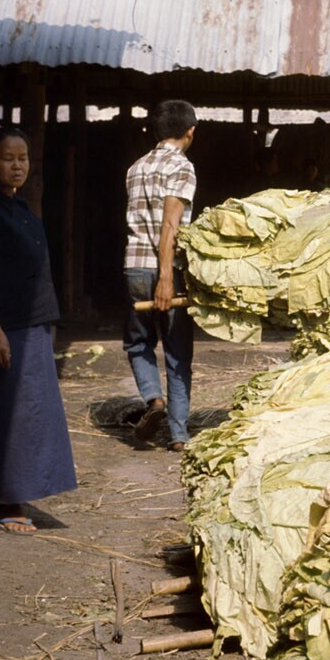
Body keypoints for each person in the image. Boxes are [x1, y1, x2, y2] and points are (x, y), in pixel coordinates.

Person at [0, 129, 76, 533]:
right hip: (8, 326)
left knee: (6, 410)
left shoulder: (18, 206)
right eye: (8, 158)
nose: (17, 166)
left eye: (23, 158)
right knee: (16, 416)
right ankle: (11, 503)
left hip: (29, 324)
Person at [124, 99, 198, 452]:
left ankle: (153, 398)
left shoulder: (136, 167)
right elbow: (170, 226)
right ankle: (178, 433)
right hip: (168, 269)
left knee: (138, 342)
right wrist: (167, 277)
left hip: (135, 266)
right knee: (177, 350)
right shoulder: (182, 167)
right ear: (190, 132)